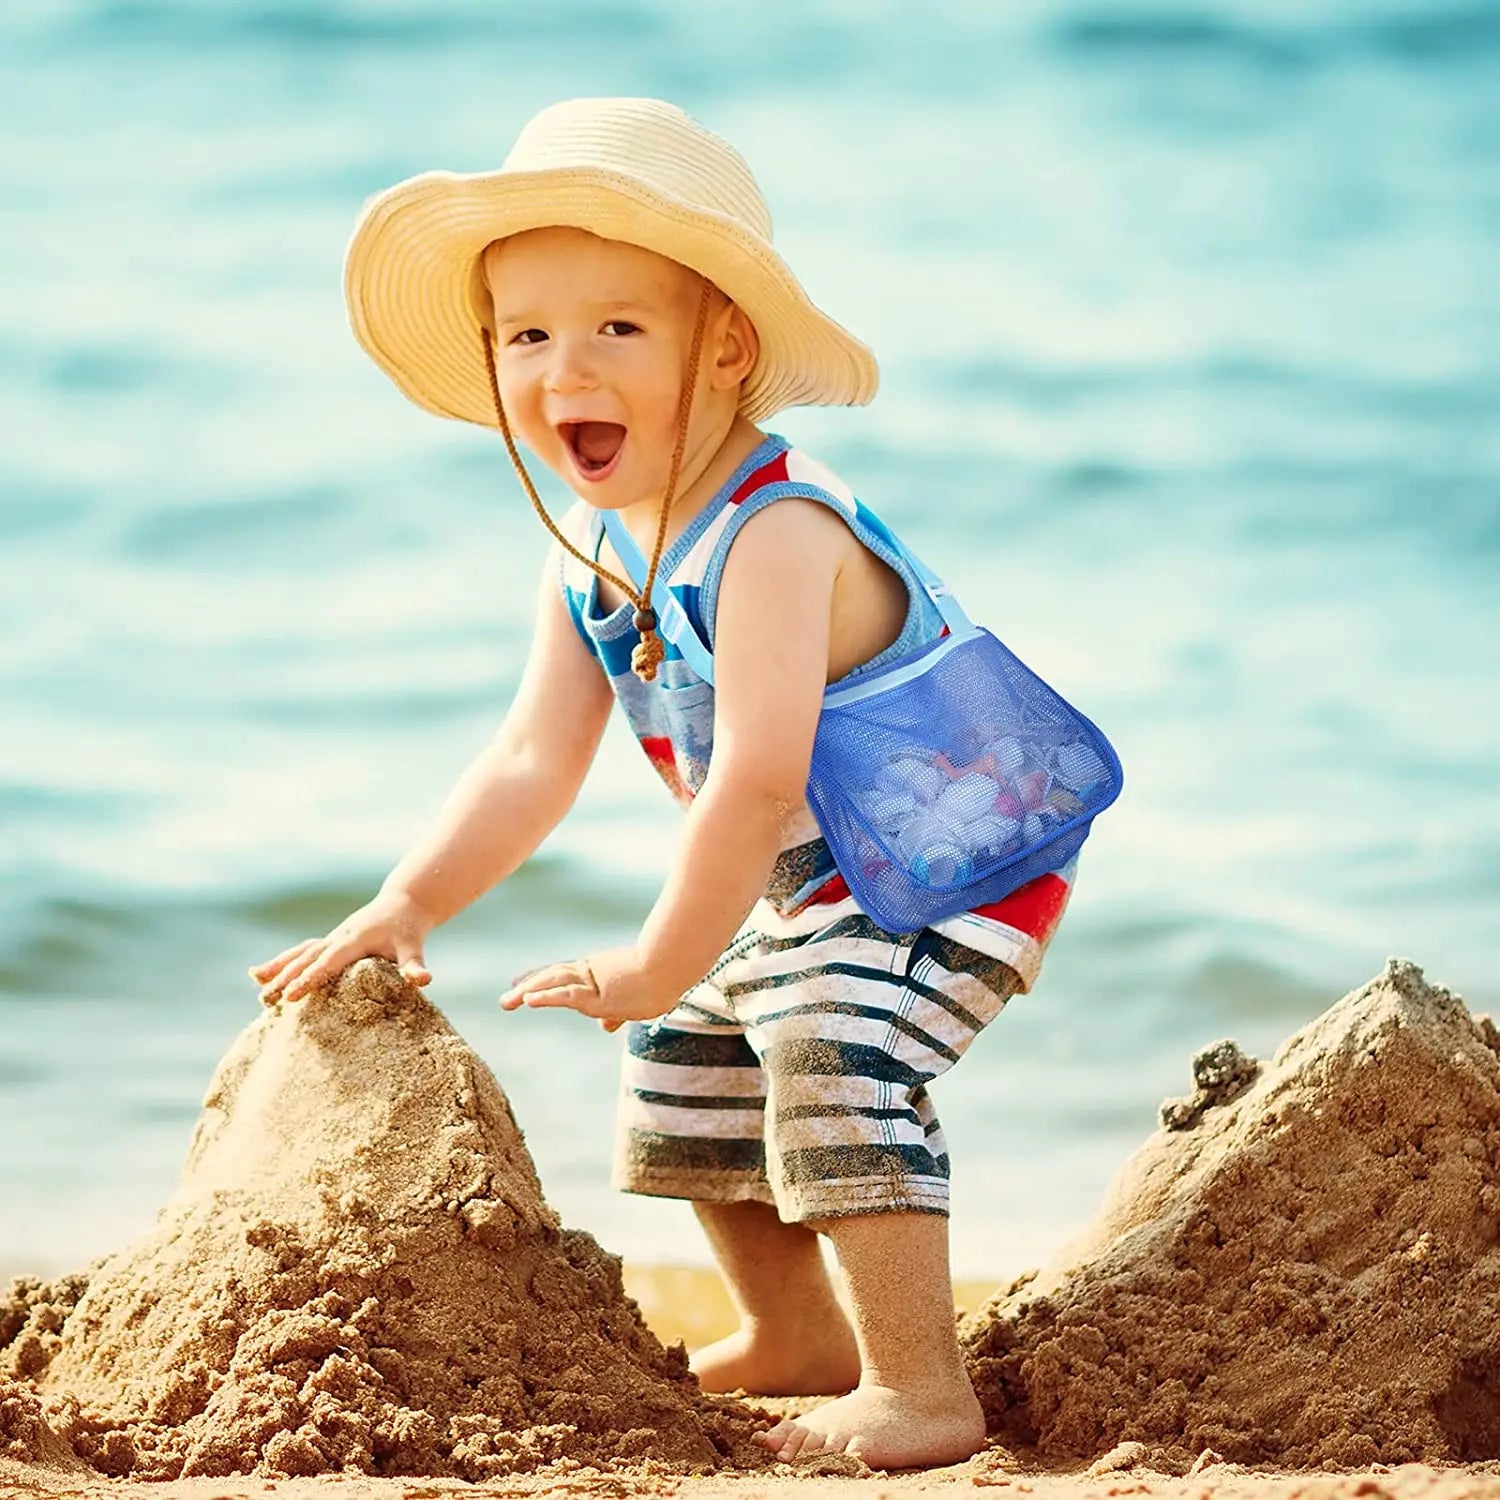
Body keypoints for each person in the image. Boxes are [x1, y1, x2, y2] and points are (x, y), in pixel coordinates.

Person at [251, 97, 1079, 1470]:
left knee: (831, 1039)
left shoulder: (777, 528)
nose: (565, 365)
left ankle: (922, 1389)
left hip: (953, 857)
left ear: (726, 345)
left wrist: (652, 950)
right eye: (528, 335)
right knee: (685, 1054)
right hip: (819, 880)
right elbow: (531, 759)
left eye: (616, 329)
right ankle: (796, 1330)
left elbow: (753, 778)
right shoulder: (589, 547)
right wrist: (410, 902)